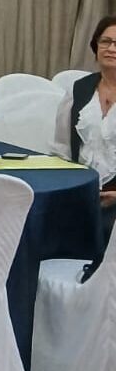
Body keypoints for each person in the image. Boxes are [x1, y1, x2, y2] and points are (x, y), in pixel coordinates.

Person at [53, 15, 116, 243]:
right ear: (95, 46)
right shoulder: (78, 90)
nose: (111, 49)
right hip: (80, 191)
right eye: (105, 41)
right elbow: (61, 148)